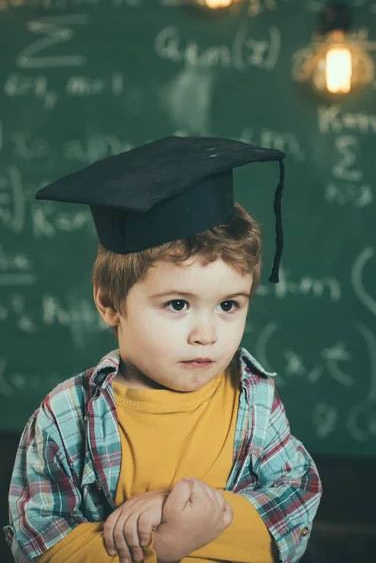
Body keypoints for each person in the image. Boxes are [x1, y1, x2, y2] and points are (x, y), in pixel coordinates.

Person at [4, 136, 322, 563]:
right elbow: (38, 544)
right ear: (109, 303)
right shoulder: (65, 417)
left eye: (229, 305)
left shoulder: (256, 402)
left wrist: (190, 513)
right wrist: (169, 541)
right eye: (177, 304)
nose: (206, 335)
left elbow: (296, 503)